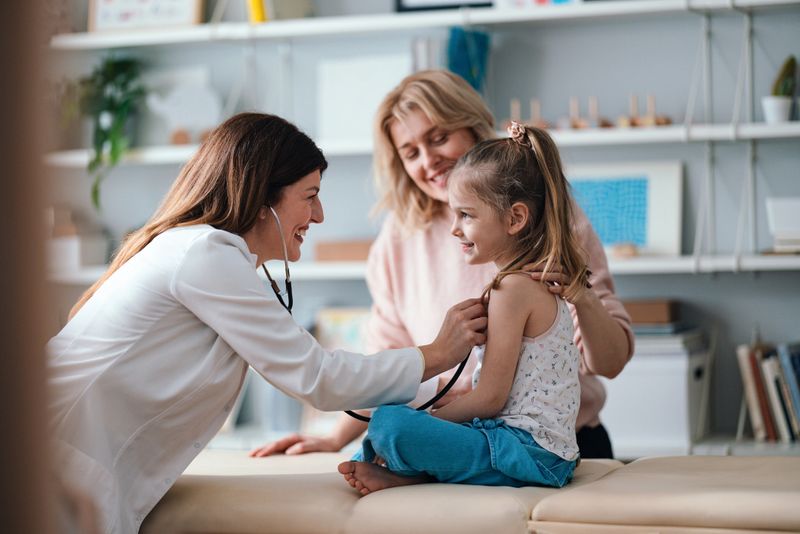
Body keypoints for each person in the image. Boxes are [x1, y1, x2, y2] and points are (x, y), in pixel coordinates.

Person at [47, 112, 487, 534]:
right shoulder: (204, 255)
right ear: (263, 200)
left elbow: (319, 372)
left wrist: (450, 393)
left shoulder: (206, 256)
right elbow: (318, 376)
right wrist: (439, 352)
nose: (319, 216)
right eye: (310, 196)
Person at [252, 70, 633, 461]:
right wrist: (335, 439)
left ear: (472, 128)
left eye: (439, 138)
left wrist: (582, 298)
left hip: (556, 445)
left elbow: (610, 362)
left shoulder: (549, 219)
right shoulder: (397, 241)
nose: (429, 160)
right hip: (452, 441)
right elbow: (392, 364)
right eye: (411, 152)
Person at [339, 122, 587, 494]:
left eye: (466, 216)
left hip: (528, 454)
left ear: (515, 219)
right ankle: (405, 474)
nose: (455, 229)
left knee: (391, 423)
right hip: (533, 451)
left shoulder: (512, 289)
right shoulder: (520, 285)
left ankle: (396, 465)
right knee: (396, 421)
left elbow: (489, 398)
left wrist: (429, 421)